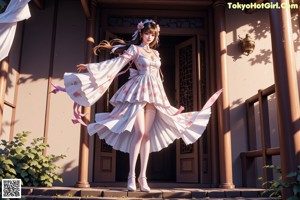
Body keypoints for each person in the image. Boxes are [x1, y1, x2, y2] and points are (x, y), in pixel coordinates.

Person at [52, 19, 222, 192]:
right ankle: (131, 176)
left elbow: (157, 76)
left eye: (153, 34)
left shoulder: (156, 54)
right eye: (147, 33)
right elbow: (115, 64)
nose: (150, 37)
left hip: (154, 93)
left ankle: (143, 177)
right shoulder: (135, 49)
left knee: (147, 134)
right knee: (139, 132)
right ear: (141, 33)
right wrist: (91, 67)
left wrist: (163, 99)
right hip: (137, 91)